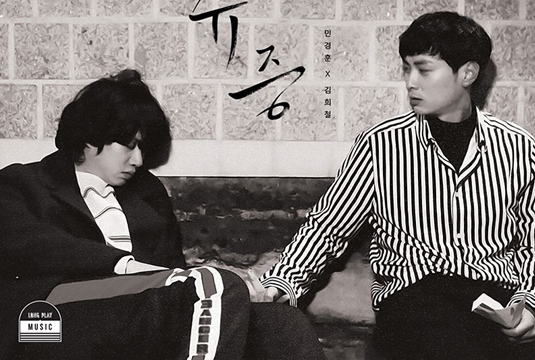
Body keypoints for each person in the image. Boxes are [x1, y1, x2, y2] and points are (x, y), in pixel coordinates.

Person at [255, 11, 535, 360]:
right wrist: (281, 283)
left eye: (423, 69)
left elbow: (534, 242)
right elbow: (327, 228)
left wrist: (530, 305)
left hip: (491, 306)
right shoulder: (381, 145)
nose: (410, 82)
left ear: (467, 73)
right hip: (413, 304)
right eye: (406, 69)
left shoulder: (518, 147)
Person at [0, 69, 325, 360]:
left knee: (279, 321)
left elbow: (173, 274)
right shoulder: (23, 183)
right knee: (215, 282)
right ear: (90, 136)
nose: (138, 160)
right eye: (129, 145)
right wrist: (126, 265)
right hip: (54, 318)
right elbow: (36, 248)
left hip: (142, 314)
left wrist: (243, 291)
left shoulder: (146, 193)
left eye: (143, 147)